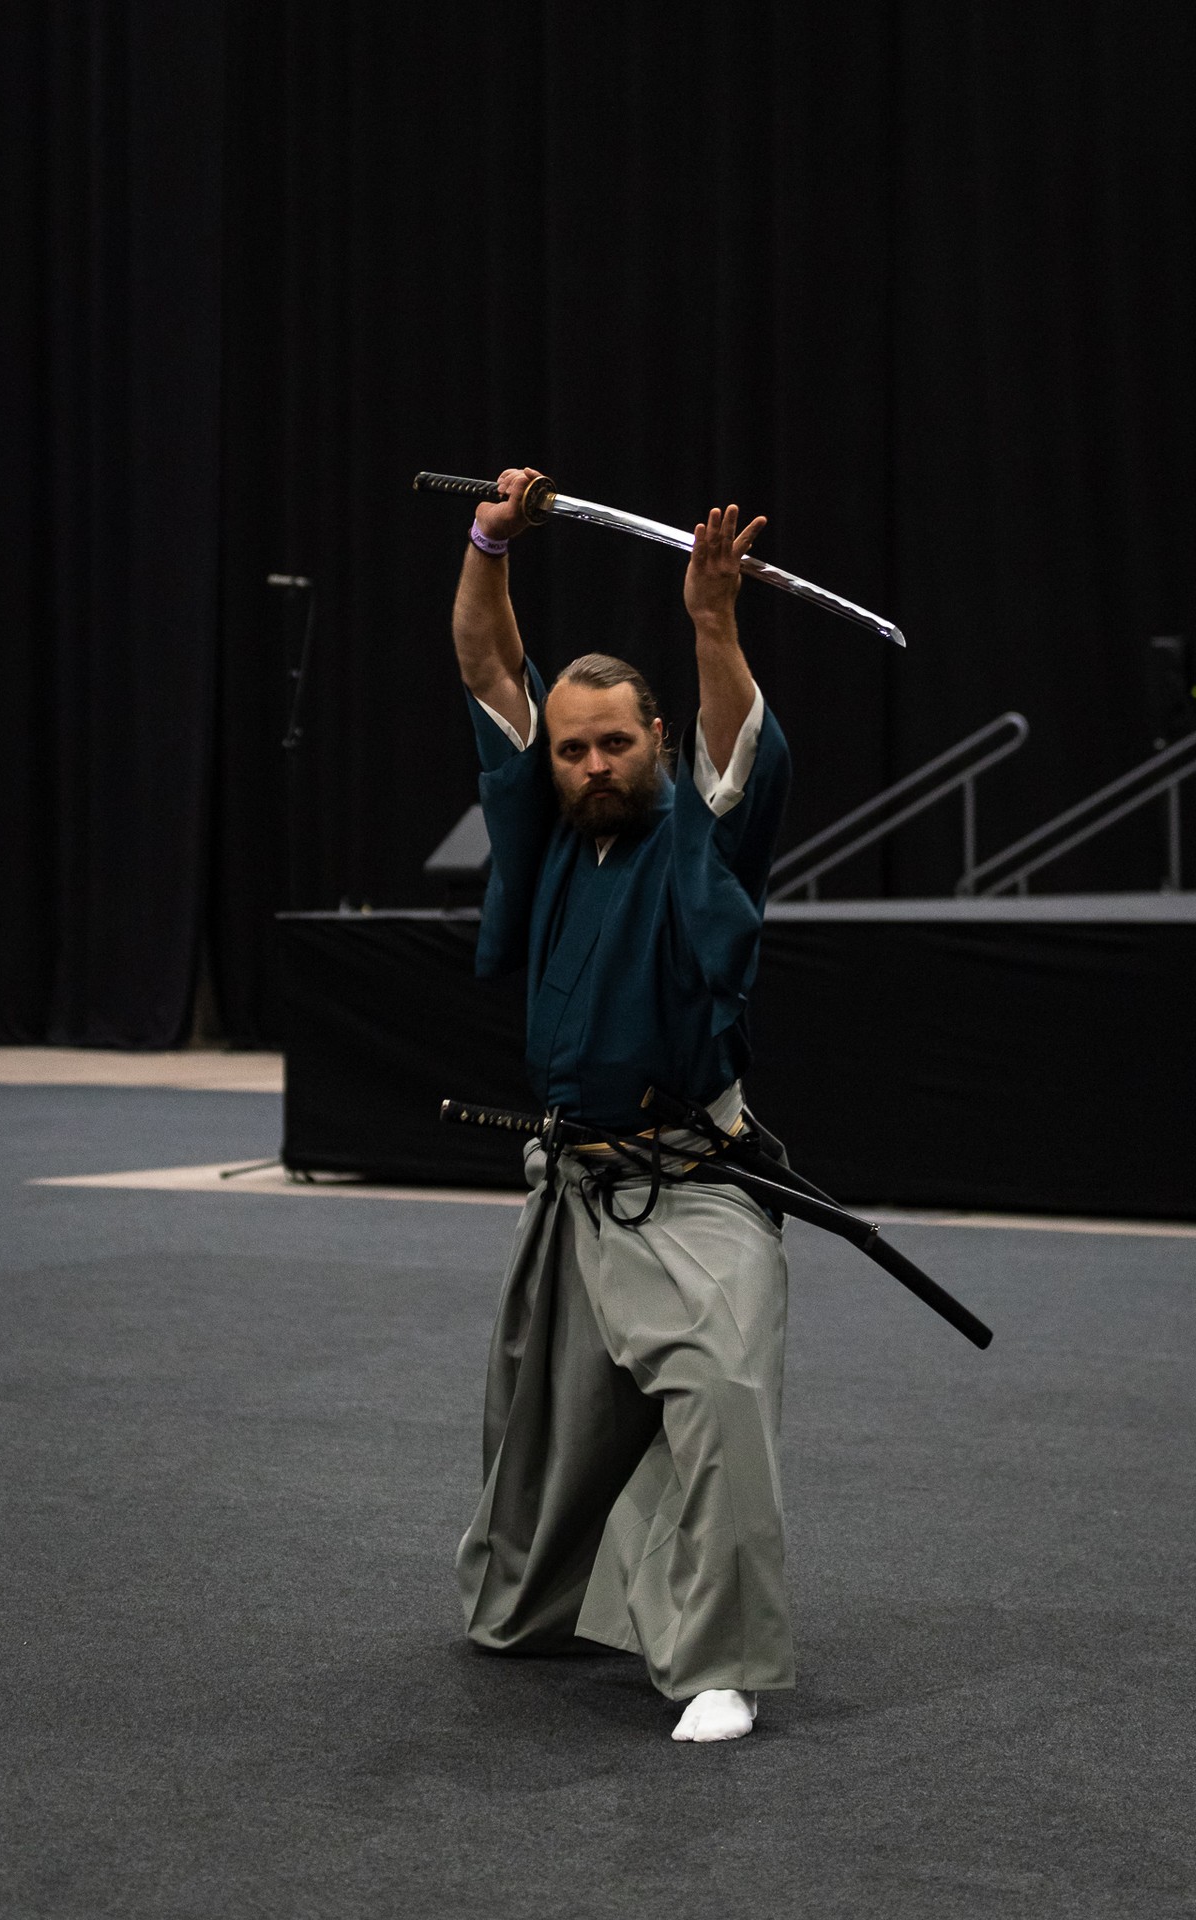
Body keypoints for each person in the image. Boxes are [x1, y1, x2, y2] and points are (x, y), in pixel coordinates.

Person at [451, 465, 793, 1743]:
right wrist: (489, 540)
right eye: (574, 748)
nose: (594, 764)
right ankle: (572, 1592)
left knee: (721, 1392)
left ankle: (719, 1659)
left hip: (694, 1186)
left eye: (617, 743)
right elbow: (490, 665)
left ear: (657, 739)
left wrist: (712, 623)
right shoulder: (547, 833)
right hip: (572, 1192)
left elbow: (736, 739)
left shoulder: (699, 836)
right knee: (533, 1517)